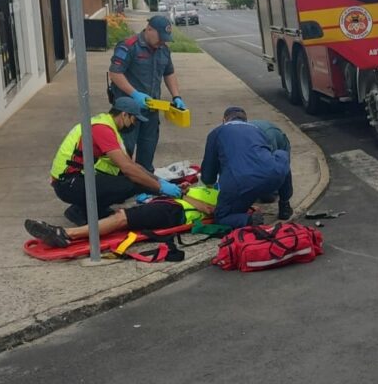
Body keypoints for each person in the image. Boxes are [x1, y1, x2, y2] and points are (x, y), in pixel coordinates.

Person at [48, 96, 183, 223]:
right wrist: (159, 188)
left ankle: (93, 208)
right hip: (68, 184)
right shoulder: (102, 129)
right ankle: (80, 211)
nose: (134, 125)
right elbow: (129, 169)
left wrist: (159, 181)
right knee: (131, 182)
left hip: (71, 180)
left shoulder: (107, 125)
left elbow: (132, 165)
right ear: (124, 115)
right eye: (134, 120)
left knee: (130, 176)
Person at [25, 184, 219, 249]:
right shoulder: (211, 186)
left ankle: (66, 233)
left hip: (173, 211)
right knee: (118, 216)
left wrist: (182, 195)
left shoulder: (223, 196)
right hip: (166, 205)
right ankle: (83, 225)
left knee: (121, 218)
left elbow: (210, 210)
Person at [108, 14, 187, 171]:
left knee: (148, 149)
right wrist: (135, 94)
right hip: (127, 112)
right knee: (125, 151)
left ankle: (144, 182)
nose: (162, 42)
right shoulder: (129, 46)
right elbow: (115, 73)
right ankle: (123, 183)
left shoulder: (163, 49)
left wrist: (176, 96)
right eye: (160, 37)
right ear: (149, 29)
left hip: (151, 109)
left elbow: (169, 73)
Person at [201, 106, 292, 228]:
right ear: (246, 121)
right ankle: (285, 205)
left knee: (222, 216)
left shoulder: (216, 133)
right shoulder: (257, 130)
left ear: (224, 120)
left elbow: (208, 176)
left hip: (239, 183)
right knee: (282, 156)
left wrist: (212, 183)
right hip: (271, 176)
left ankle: (249, 220)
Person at [247, 115, 294, 211]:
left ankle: (284, 204)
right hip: (260, 141)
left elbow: (273, 168)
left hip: (279, 146)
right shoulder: (243, 136)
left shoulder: (268, 136)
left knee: (282, 171)